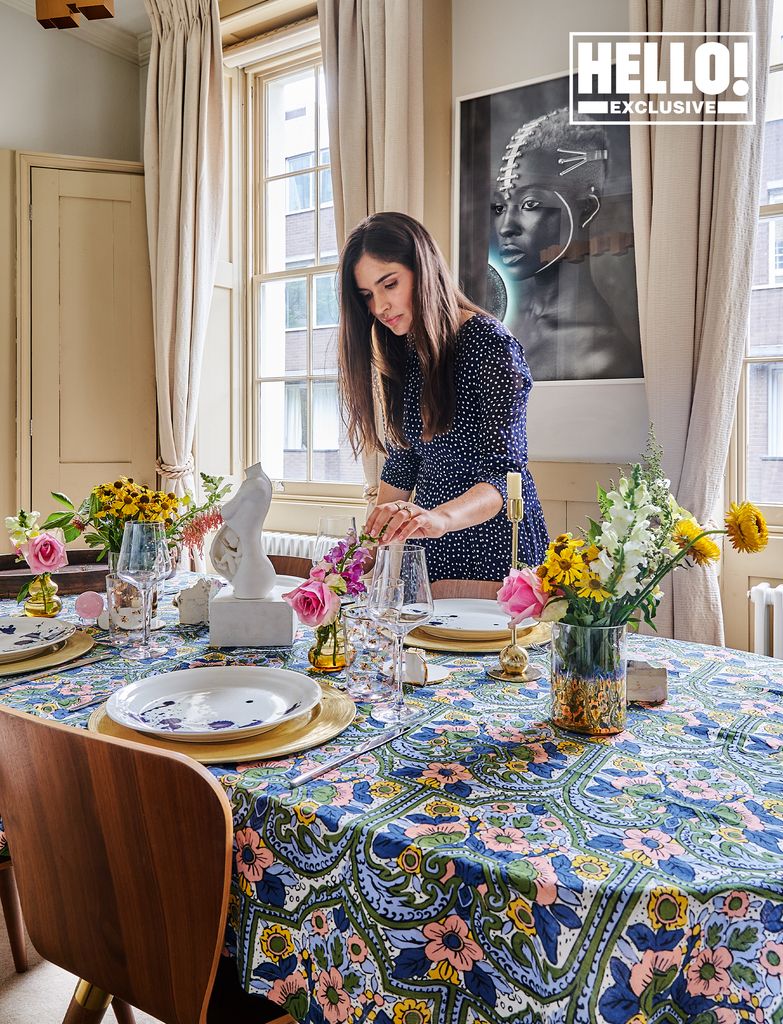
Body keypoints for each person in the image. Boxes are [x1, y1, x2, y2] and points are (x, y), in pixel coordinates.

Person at [337, 211, 548, 583]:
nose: (379, 307)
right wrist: (361, 551)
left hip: (495, 544)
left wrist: (439, 518)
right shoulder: (405, 351)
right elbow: (404, 462)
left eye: (390, 284)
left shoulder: (489, 344)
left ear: (424, 269)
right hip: (432, 543)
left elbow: (505, 475)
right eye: (368, 295)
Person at [489, 107, 643, 381]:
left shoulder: (600, 355)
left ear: (586, 209)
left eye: (530, 204)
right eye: (500, 207)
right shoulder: (502, 323)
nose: (506, 227)